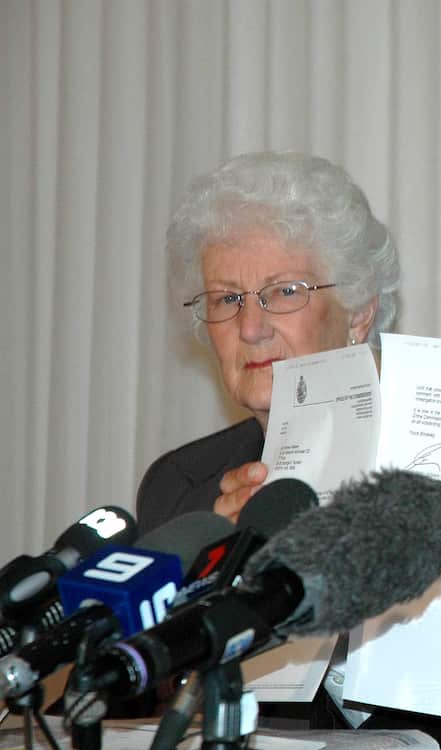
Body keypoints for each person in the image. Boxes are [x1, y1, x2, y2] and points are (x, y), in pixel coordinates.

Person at [136, 151, 400, 533]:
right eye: (228, 298)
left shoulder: (433, 462)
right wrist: (216, 557)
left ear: (358, 314)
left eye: (285, 292)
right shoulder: (177, 488)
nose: (250, 328)